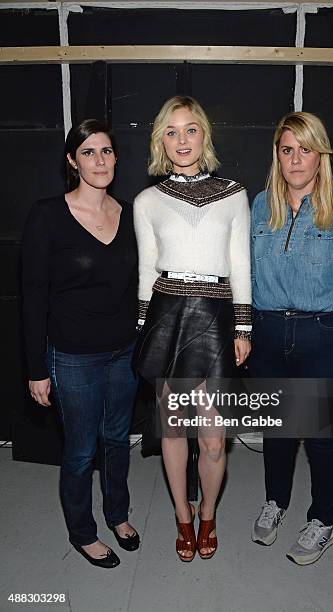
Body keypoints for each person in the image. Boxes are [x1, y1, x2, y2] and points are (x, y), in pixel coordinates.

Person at [250, 111, 333, 565]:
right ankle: (275, 502)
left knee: (323, 438)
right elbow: (244, 275)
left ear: (321, 154)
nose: (296, 159)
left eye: (305, 149)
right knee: (277, 432)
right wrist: (242, 331)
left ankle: (324, 519)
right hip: (267, 336)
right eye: (287, 150)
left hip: (323, 337)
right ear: (277, 156)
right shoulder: (262, 204)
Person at [133, 96, 251, 561]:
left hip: (219, 318)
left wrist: (244, 328)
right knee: (174, 431)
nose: (181, 140)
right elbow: (147, 268)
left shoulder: (234, 193)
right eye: (171, 131)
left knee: (213, 437)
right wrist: (144, 328)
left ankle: (209, 515)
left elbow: (240, 264)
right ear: (160, 139)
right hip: (167, 318)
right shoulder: (146, 200)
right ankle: (183, 518)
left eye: (190, 129)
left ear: (205, 135)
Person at [22, 119, 140, 569]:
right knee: (80, 449)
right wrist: (36, 367)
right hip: (72, 358)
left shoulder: (130, 214)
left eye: (106, 151)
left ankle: (118, 514)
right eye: (88, 152)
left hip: (124, 354)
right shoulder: (47, 215)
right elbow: (33, 296)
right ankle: (83, 532)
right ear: (72, 161)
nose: (100, 160)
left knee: (117, 439)